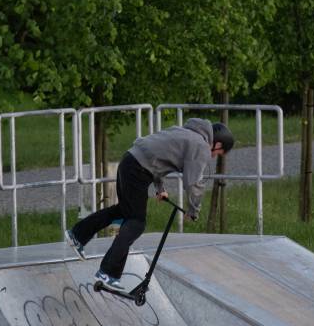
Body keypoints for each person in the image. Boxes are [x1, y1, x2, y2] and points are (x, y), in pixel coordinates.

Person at [65, 117, 234, 291]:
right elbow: (193, 182)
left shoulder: (184, 132)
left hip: (130, 160)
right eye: (217, 154)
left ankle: (77, 235)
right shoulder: (201, 146)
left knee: (123, 211)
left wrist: (160, 188)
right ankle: (107, 272)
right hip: (139, 170)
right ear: (218, 144)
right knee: (137, 222)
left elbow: (157, 155)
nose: (213, 156)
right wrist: (193, 210)